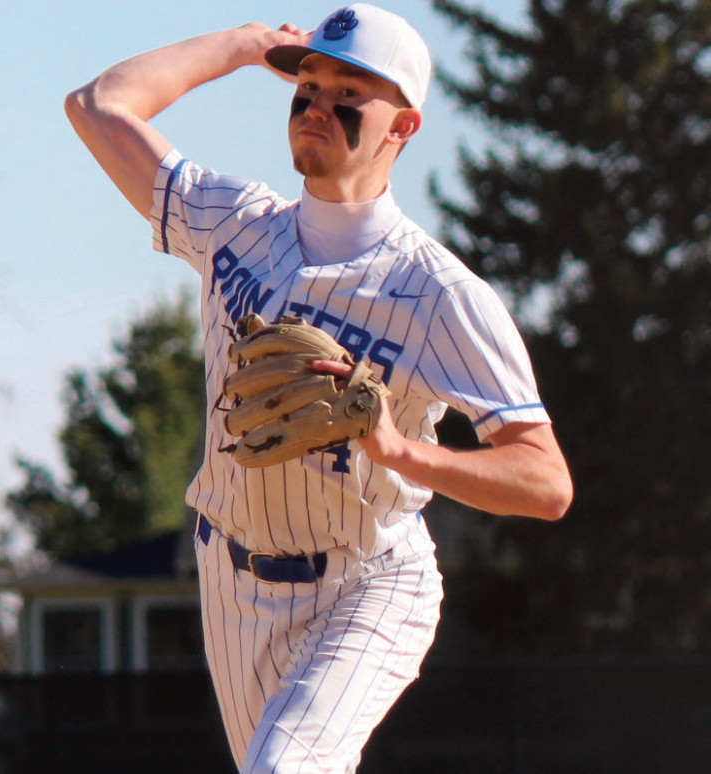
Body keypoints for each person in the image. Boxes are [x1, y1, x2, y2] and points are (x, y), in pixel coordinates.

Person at [65, 4, 573, 772]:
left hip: (365, 583)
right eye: (309, 86)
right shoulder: (236, 225)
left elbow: (546, 482)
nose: (317, 105)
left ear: (404, 127)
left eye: (349, 94)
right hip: (231, 578)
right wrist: (246, 45)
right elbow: (97, 105)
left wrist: (400, 451)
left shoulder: (437, 292)